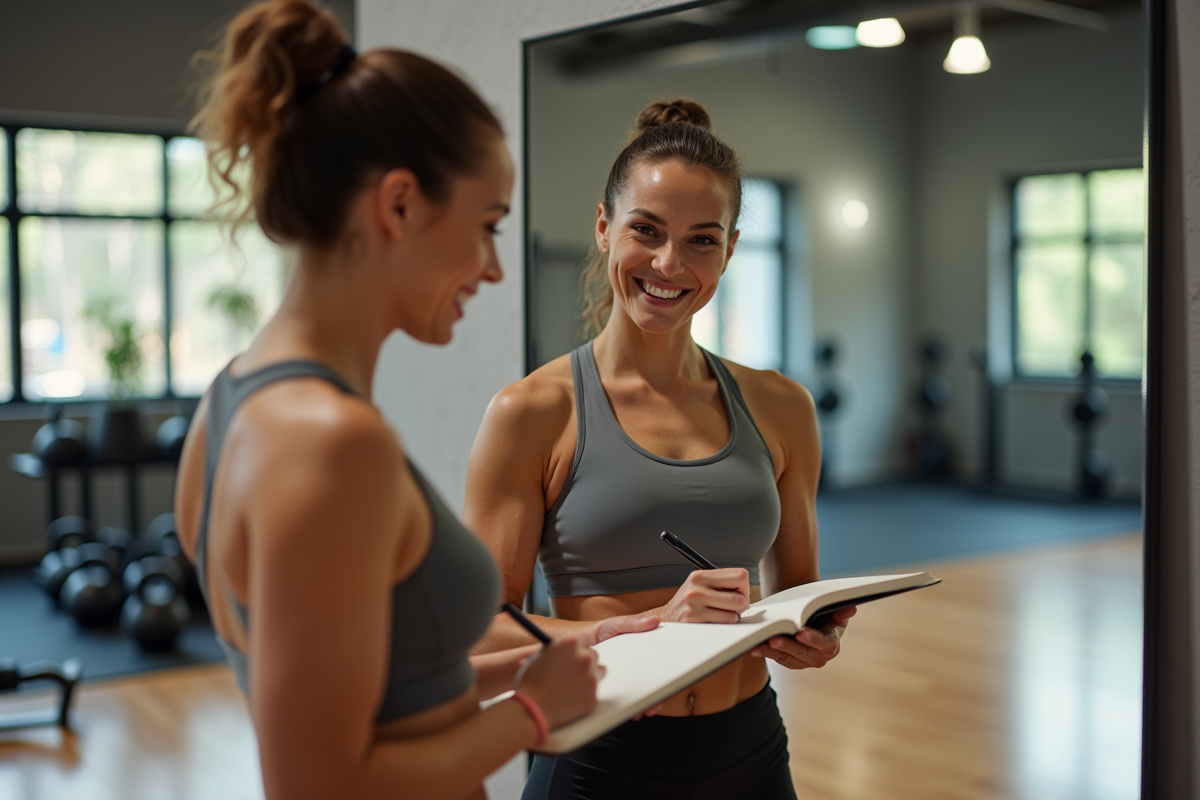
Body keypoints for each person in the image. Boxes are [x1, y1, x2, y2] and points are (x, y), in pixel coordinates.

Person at [174, 3, 656, 798]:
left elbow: (372, 702)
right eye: (488, 224)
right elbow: (316, 782)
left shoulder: (226, 405)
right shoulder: (331, 442)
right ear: (399, 205)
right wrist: (532, 718)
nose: (494, 268)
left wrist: (542, 668)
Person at [464, 99, 856, 799]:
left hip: (750, 752)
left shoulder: (782, 407)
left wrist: (814, 635)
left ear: (731, 249)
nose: (669, 263)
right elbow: (481, 634)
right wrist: (638, 629)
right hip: (596, 756)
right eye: (646, 230)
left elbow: (797, 589)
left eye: (702, 239)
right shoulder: (532, 412)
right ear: (604, 227)